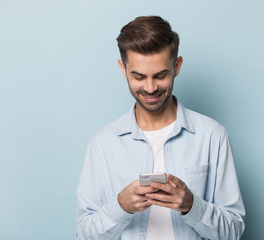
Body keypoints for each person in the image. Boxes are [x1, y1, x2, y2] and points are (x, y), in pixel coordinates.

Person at [76, 16, 245, 240]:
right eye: (138, 76)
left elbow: (233, 231)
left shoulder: (213, 136)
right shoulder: (103, 143)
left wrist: (192, 206)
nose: (150, 87)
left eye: (160, 75)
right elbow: (84, 234)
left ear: (177, 66)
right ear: (123, 69)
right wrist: (120, 206)